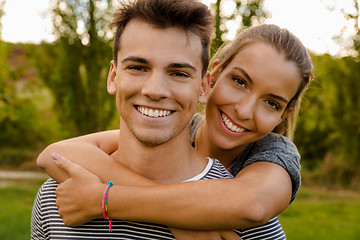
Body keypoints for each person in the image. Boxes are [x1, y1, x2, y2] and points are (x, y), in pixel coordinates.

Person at [35, 5, 314, 240]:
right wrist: (188, 223)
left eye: (178, 73)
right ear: (213, 79)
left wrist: (104, 201)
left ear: (202, 84)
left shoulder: (251, 205)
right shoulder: (60, 192)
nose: (243, 110)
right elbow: (55, 154)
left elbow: (252, 205)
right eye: (137, 67)